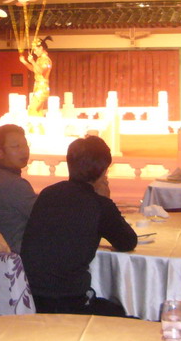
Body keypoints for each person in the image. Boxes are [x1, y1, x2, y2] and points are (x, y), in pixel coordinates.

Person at [20, 135, 136, 315]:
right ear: (102, 171)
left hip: (29, 295)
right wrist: (105, 201)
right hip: (69, 301)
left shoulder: (48, 193)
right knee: (123, 312)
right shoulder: (98, 204)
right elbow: (127, 241)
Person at [0, 124, 36, 252]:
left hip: (0, 247)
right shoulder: (14, 184)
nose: (24, 150)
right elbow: (44, 216)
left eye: (25, 145)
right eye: (16, 146)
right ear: (0, 152)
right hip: (18, 252)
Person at [19, 38, 52, 118]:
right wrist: (25, 62)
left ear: (41, 48)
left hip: (42, 88)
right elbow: (34, 70)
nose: (34, 52)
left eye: (35, 49)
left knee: (33, 110)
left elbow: (41, 71)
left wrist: (32, 61)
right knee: (36, 111)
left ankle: (35, 128)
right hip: (38, 87)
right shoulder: (40, 59)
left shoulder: (46, 60)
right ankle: (38, 129)